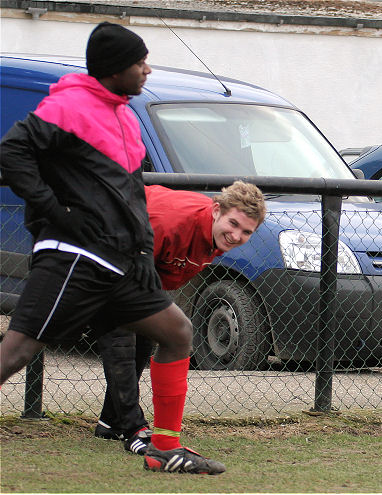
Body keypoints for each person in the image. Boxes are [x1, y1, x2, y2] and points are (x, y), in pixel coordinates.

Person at [0, 22, 225, 474]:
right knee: (18, 352)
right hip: (74, 257)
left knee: (177, 332)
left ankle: (163, 448)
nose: (148, 69)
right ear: (114, 68)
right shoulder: (68, 104)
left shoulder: (126, 115)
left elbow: (132, 195)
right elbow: (12, 153)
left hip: (121, 264)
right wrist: (55, 211)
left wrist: (142, 255)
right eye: (140, 62)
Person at [94, 181, 266, 455]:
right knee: (120, 334)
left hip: (131, 260)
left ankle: (112, 422)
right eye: (233, 224)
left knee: (147, 335)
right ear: (216, 210)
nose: (236, 235)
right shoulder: (171, 222)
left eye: (246, 231)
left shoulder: (214, 234)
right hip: (97, 249)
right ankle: (133, 429)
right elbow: (126, 271)